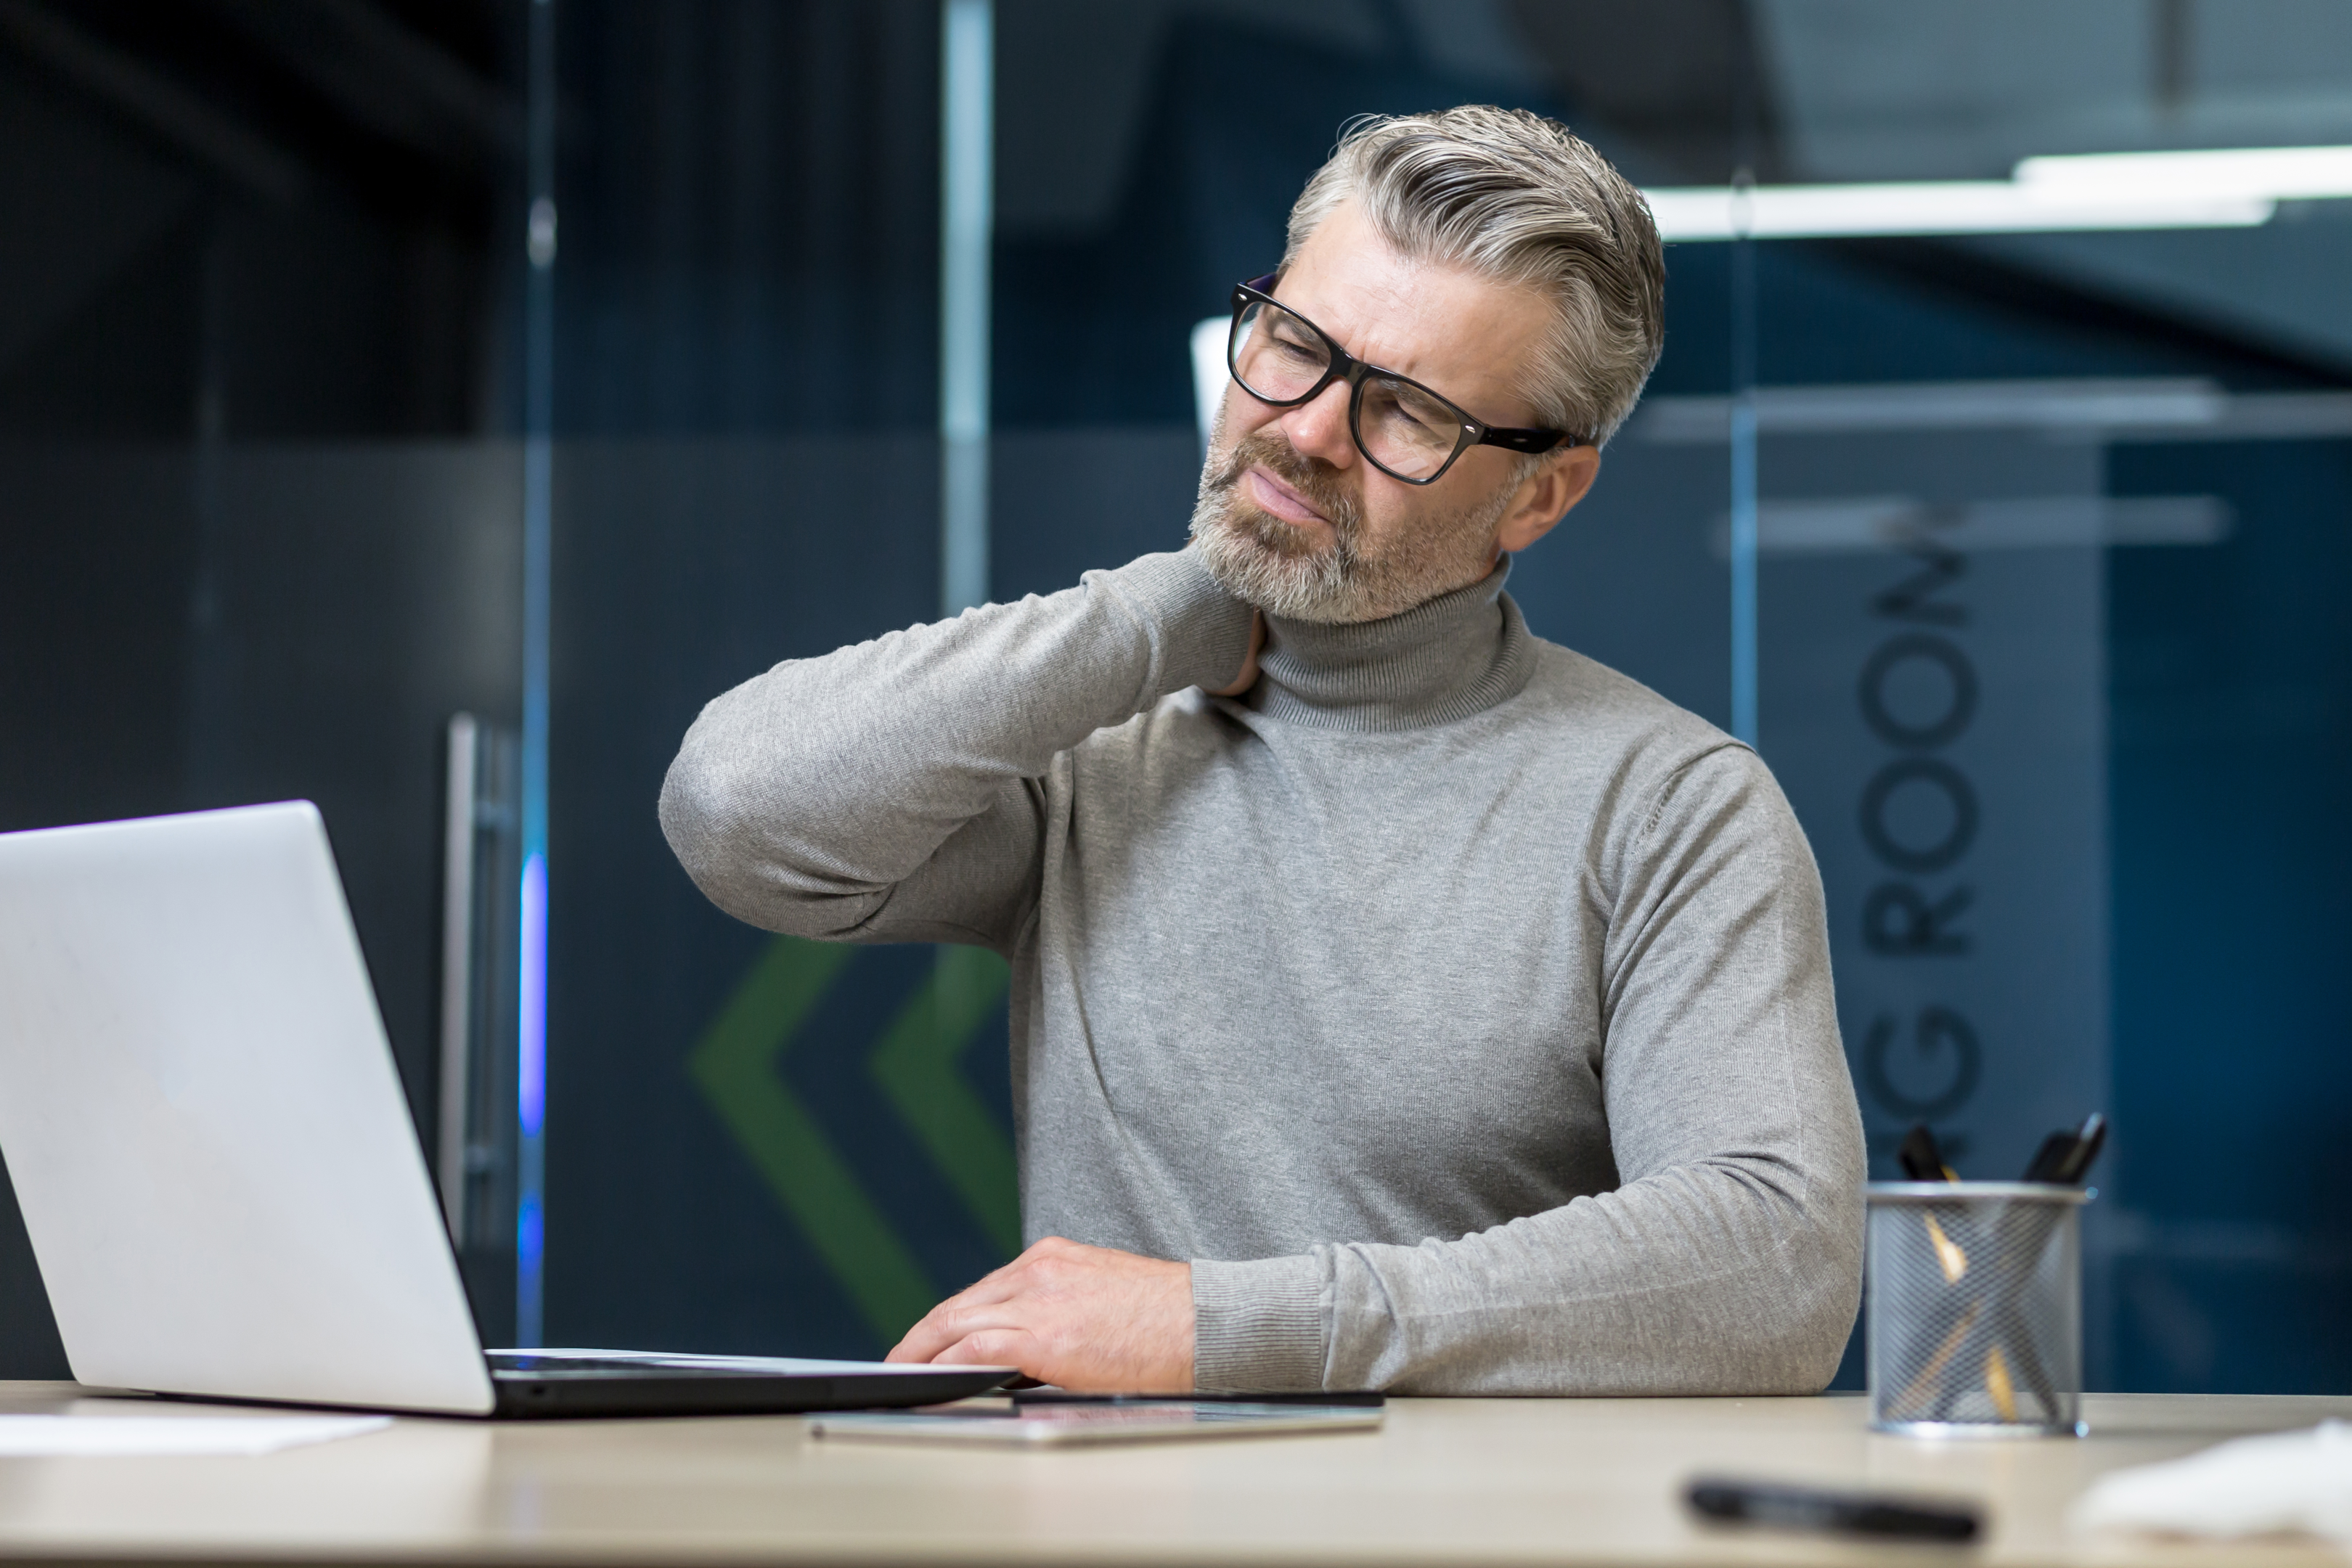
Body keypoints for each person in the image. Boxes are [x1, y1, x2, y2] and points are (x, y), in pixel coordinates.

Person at [661, 105, 1864, 1395]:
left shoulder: (1673, 809)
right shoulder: (1095, 744)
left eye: (1405, 412)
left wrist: (1220, 1326)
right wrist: (1162, 611)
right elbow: (739, 813)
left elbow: (1778, 1262)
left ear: (1542, 492)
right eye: (1293, 346)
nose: (1303, 431)